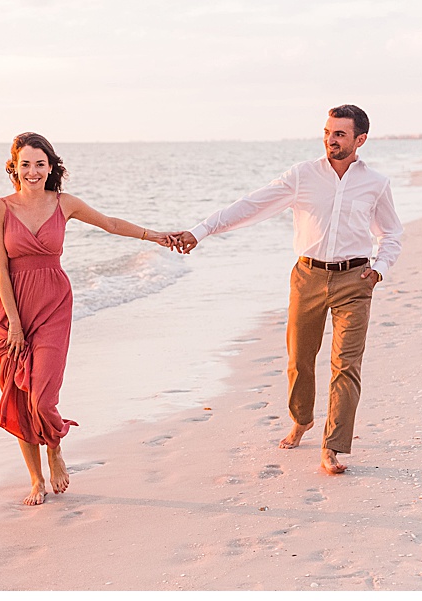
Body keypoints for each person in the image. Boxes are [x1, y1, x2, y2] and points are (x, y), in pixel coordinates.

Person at [166, 104, 404, 474]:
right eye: (327, 132)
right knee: (299, 359)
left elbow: (391, 233)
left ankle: (333, 446)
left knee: (346, 366)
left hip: (355, 281)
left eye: (339, 134)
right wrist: (200, 231)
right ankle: (302, 419)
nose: (330, 139)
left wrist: (379, 270)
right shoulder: (302, 176)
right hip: (307, 277)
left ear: (361, 140)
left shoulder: (376, 184)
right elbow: (250, 205)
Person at [0, 132, 176, 505]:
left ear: (51, 166)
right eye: (25, 164)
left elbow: (110, 224)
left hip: (54, 303)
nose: (33, 171)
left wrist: (155, 236)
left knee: (42, 398)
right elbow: (1, 270)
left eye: (40, 164)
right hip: (11, 311)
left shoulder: (64, 203)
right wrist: (16, 323)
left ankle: (54, 446)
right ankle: (35, 479)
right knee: (20, 395)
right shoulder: (0, 209)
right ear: (14, 167)